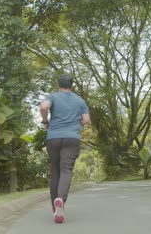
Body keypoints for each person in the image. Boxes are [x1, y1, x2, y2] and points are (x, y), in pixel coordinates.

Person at [40, 73, 90, 224]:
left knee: (55, 170)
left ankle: (55, 210)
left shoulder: (53, 96)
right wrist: (76, 122)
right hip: (72, 138)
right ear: (72, 86)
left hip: (54, 137)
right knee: (66, 169)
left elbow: (43, 106)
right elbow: (86, 120)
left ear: (57, 85)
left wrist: (45, 121)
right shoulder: (80, 100)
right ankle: (61, 199)